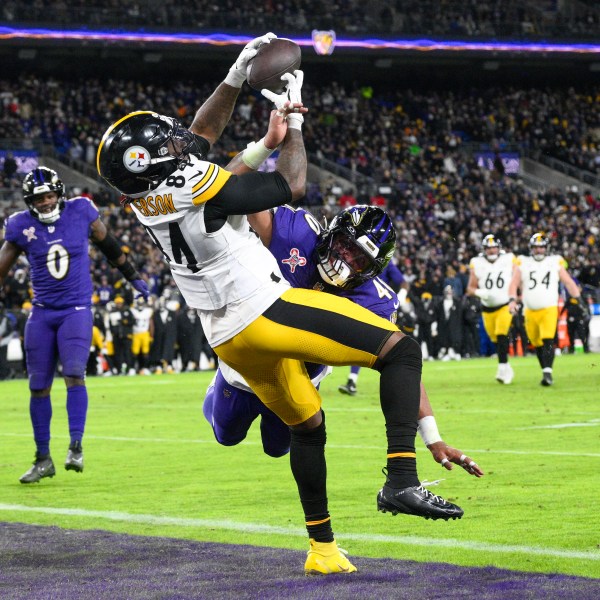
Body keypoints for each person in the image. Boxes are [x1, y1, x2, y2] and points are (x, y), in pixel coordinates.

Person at [96, 36, 466, 575]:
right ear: (150, 162)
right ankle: (401, 482)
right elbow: (288, 184)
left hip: (226, 338)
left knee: (307, 427)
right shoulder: (192, 179)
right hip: (262, 311)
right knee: (402, 350)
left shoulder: (143, 198)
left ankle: (322, 550)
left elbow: (199, 145)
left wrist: (237, 81)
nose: (181, 143)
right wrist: (286, 125)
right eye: (168, 147)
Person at [203, 201, 483, 475]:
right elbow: (248, 201)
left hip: (301, 376)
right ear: (331, 232)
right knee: (227, 435)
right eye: (346, 246)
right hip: (252, 363)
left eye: (358, 259)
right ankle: (216, 390)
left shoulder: (376, 302)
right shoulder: (296, 235)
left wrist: (432, 437)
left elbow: (402, 366)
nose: (344, 260)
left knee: (277, 448)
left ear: (371, 271)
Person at [0, 166, 150, 483]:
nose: (44, 202)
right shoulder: (20, 226)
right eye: (39, 198)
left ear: (60, 194)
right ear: (30, 201)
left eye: (49, 196)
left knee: (73, 373)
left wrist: (134, 277)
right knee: (38, 385)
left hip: (76, 309)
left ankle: (76, 445)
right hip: (41, 313)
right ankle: (43, 459)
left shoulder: (81, 211)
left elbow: (110, 246)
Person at [508, 232, 582, 386]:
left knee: (548, 338)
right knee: (536, 342)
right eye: (536, 247)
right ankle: (545, 370)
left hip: (549, 307)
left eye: (541, 247)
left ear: (547, 248)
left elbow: (568, 282)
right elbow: (514, 283)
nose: (539, 250)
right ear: (531, 248)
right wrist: (512, 300)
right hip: (529, 309)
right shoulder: (523, 262)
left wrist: (578, 299)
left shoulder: (554, 262)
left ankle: (547, 373)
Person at [338, 260, 405, 395]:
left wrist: (402, 296)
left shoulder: (383, 263)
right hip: (375, 303)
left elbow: (402, 281)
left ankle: (400, 386)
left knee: (385, 351)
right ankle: (352, 381)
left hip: (375, 306)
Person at [467, 234, 515, 384]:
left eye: (494, 247)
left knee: (501, 335)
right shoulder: (477, 262)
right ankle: (506, 366)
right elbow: (470, 287)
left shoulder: (509, 259)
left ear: (499, 248)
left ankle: (502, 368)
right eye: (489, 248)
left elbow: (518, 278)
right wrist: (479, 292)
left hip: (505, 305)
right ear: (484, 249)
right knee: (495, 339)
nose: (492, 250)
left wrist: (516, 297)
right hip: (487, 308)